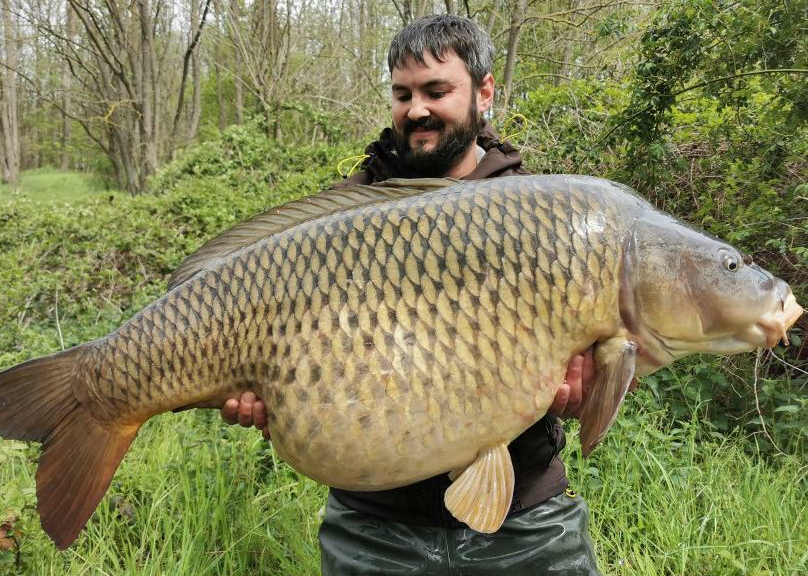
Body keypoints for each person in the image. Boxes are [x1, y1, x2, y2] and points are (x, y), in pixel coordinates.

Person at [223, 14, 601, 575]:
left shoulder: (538, 215)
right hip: (374, 529)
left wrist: (587, 383)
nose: (416, 109)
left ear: (484, 91)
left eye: (436, 90)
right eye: (403, 94)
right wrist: (265, 390)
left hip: (525, 515)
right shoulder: (347, 215)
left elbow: (600, 360)